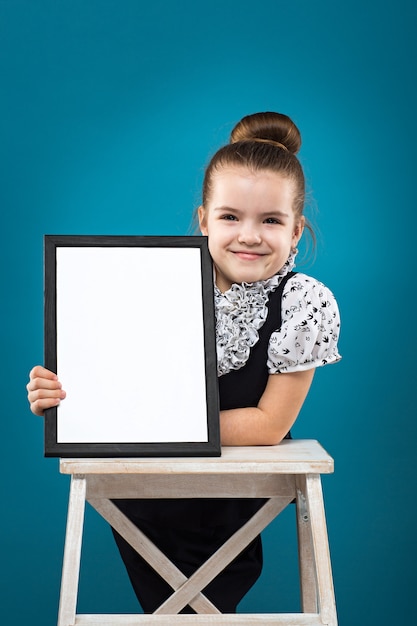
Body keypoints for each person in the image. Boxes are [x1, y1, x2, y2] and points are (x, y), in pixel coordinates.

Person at [27, 111, 341, 613]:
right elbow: (114, 378)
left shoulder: (303, 302)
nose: (250, 236)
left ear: (297, 230)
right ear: (204, 221)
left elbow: (269, 424)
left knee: (203, 610)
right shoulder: (154, 283)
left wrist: (147, 422)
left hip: (230, 501)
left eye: (272, 220)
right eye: (231, 217)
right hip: (142, 495)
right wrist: (68, 401)